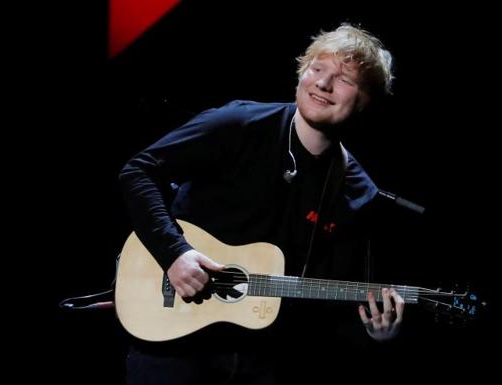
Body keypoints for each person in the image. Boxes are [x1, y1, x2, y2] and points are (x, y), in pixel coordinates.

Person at [119, 23, 405, 385]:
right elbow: (138, 172)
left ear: (365, 99)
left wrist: (375, 335)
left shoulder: (356, 191)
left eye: (345, 79)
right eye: (318, 69)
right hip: (175, 344)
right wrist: (173, 252)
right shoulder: (239, 123)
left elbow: (329, 298)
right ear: (302, 73)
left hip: (267, 360)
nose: (324, 84)